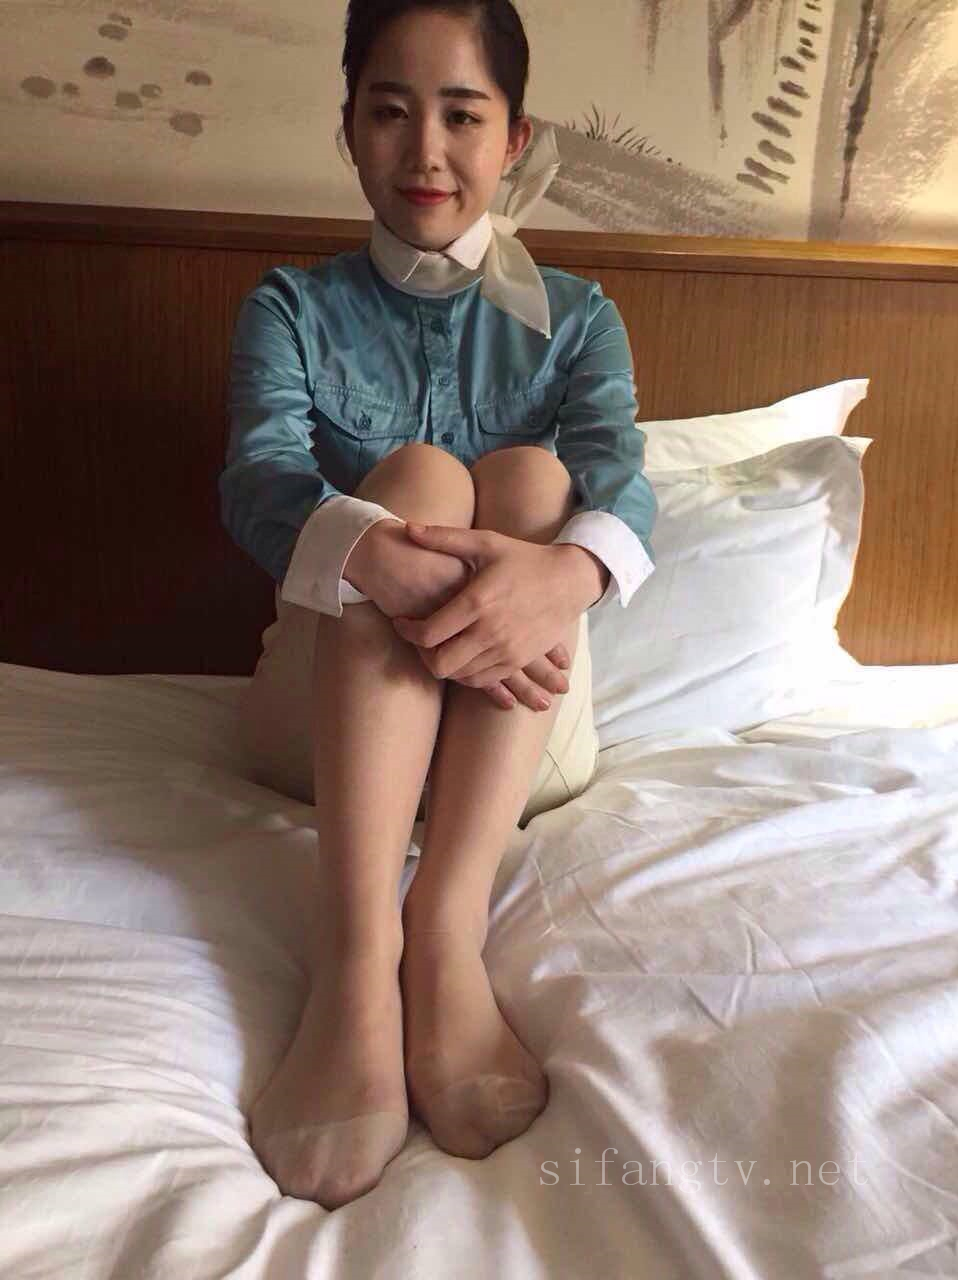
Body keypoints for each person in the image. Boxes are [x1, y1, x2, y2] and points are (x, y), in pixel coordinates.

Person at [219, 0, 657, 1210]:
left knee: (540, 485)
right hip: (320, 734)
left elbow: (623, 483)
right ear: (348, 128)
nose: (426, 150)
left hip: (523, 730)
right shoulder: (289, 307)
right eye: (390, 111)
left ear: (515, 137)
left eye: (463, 115)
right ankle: (360, 953)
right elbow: (257, 479)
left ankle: (446, 926)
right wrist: (373, 553)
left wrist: (564, 573)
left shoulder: (578, 318)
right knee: (412, 480)